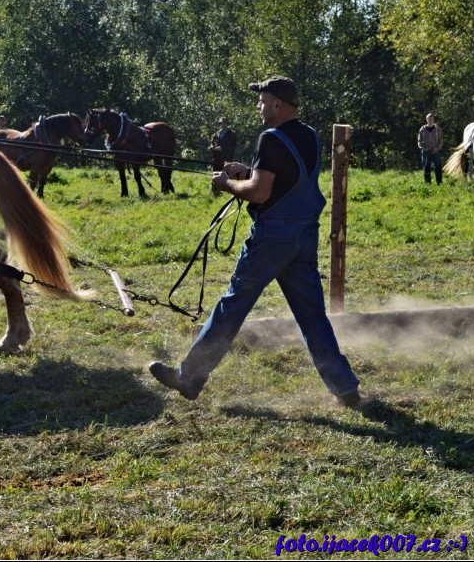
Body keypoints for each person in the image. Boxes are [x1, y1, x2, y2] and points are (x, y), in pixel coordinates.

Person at [148, 76, 361, 408]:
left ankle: (189, 377)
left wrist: (227, 184)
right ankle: (346, 388)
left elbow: (261, 192)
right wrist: (248, 170)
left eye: (262, 101)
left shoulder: (271, 139)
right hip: (304, 235)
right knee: (312, 316)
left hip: (272, 237)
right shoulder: (310, 136)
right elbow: (285, 178)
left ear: (277, 103)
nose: (259, 107)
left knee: (233, 305)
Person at [209, 117, 237, 194]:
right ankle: (214, 191)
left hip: (226, 159)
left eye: (224, 123)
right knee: (215, 174)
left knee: (225, 176)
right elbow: (212, 143)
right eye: (221, 123)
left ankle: (225, 192)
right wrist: (212, 147)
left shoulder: (232, 135)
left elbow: (232, 147)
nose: (223, 125)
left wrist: (222, 148)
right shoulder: (216, 134)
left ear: (227, 124)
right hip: (216, 158)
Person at [417, 113, 444, 185]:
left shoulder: (438, 129)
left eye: (431, 119)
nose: (430, 120)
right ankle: (428, 184)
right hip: (426, 151)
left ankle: (439, 183)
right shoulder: (422, 129)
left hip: (435, 151)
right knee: (426, 167)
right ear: (426, 120)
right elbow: (419, 142)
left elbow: (441, 141)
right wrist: (424, 148)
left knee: (438, 167)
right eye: (428, 119)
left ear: (433, 119)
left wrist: (437, 149)